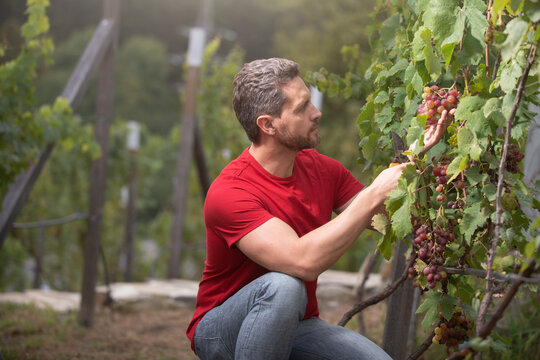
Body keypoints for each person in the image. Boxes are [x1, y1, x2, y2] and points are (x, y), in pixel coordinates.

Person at [186, 58, 452, 360]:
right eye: (302, 108)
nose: (316, 113)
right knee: (284, 287)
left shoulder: (323, 170)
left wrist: (415, 156)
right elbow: (302, 262)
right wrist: (374, 192)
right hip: (222, 330)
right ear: (268, 125)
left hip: (297, 322)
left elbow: (384, 219)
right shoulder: (231, 192)